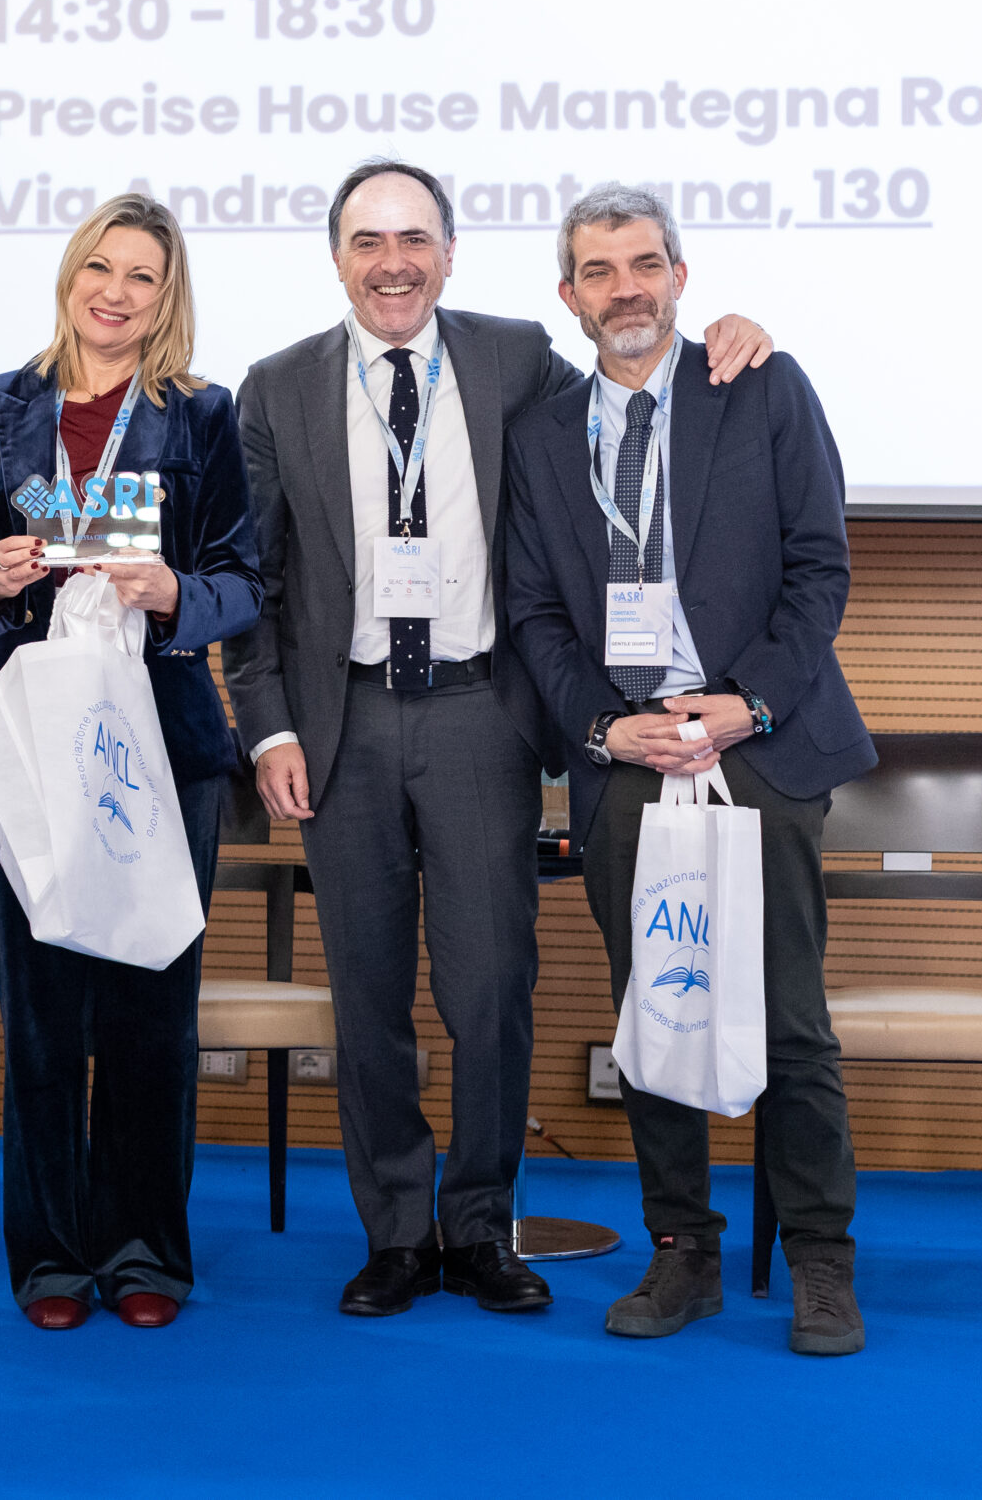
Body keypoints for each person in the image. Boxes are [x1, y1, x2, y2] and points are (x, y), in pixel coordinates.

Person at [220, 159, 774, 1319]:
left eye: (414, 239)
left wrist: (728, 335)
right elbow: (255, 583)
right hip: (340, 725)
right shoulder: (275, 387)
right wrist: (266, 728)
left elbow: (636, 382)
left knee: (489, 993)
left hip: (480, 714)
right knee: (367, 997)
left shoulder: (517, 356)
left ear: (449, 254)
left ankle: (477, 1228)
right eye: (368, 242)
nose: (393, 263)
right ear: (337, 260)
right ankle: (393, 1234)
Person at [503, 182, 873, 1356]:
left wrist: (746, 702)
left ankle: (819, 1264)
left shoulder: (758, 386)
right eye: (599, 270)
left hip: (757, 744)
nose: (626, 289)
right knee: (656, 1014)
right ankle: (683, 1256)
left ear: (678, 276)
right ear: (568, 295)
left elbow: (818, 568)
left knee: (790, 1023)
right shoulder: (542, 436)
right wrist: (602, 730)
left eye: (644, 264)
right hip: (626, 759)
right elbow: (532, 613)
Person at [0, 195, 260, 1330]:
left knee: (150, 1004)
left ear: (167, 300)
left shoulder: (201, 414)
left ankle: (145, 1251)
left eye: (142, 277)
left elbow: (242, 583)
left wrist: (174, 593)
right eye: (100, 268)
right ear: (71, 276)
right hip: (28, 733)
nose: (116, 293)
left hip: (160, 740)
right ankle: (52, 1258)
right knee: (42, 1011)